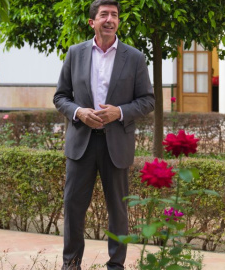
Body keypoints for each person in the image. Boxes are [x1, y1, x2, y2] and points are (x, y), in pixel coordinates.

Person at [53, 0, 155, 269]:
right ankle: (71, 264)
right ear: (92, 22)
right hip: (81, 144)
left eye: (115, 15)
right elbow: (61, 97)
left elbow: (147, 100)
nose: (110, 19)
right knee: (73, 208)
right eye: (104, 15)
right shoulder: (75, 53)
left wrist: (119, 112)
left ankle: (116, 266)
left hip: (116, 144)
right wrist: (78, 113)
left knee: (118, 212)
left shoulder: (134, 57)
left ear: (118, 21)